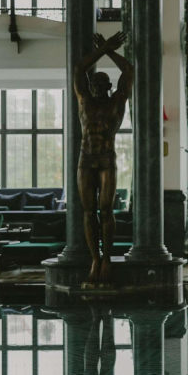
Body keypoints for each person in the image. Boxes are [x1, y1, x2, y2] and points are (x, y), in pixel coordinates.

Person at [73, 31, 133, 286]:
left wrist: (108, 50)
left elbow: (128, 70)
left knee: (106, 211)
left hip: (107, 160)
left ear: (109, 87)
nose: (96, 88)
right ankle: (95, 259)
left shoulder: (117, 102)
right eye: (94, 84)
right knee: (88, 212)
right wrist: (102, 49)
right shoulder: (83, 100)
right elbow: (79, 69)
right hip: (86, 160)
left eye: (101, 84)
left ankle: (106, 258)